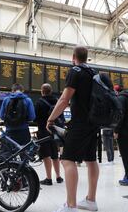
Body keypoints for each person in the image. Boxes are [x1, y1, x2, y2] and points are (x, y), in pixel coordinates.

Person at [47, 46, 100, 212]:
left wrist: (51, 118)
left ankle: (71, 206)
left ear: (73, 57)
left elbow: (64, 99)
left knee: (67, 159)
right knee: (91, 160)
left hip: (80, 123)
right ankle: (91, 200)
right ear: (87, 57)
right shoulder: (94, 73)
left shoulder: (75, 71)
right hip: (94, 123)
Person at [35, 83, 64, 186]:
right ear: (51, 91)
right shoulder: (57, 101)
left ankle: (48, 178)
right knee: (55, 155)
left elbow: (35, 118)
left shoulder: (39, 102)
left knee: (46, 155)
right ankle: (58, 176)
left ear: (42, 91)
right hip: (54, 131)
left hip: (43, 131)